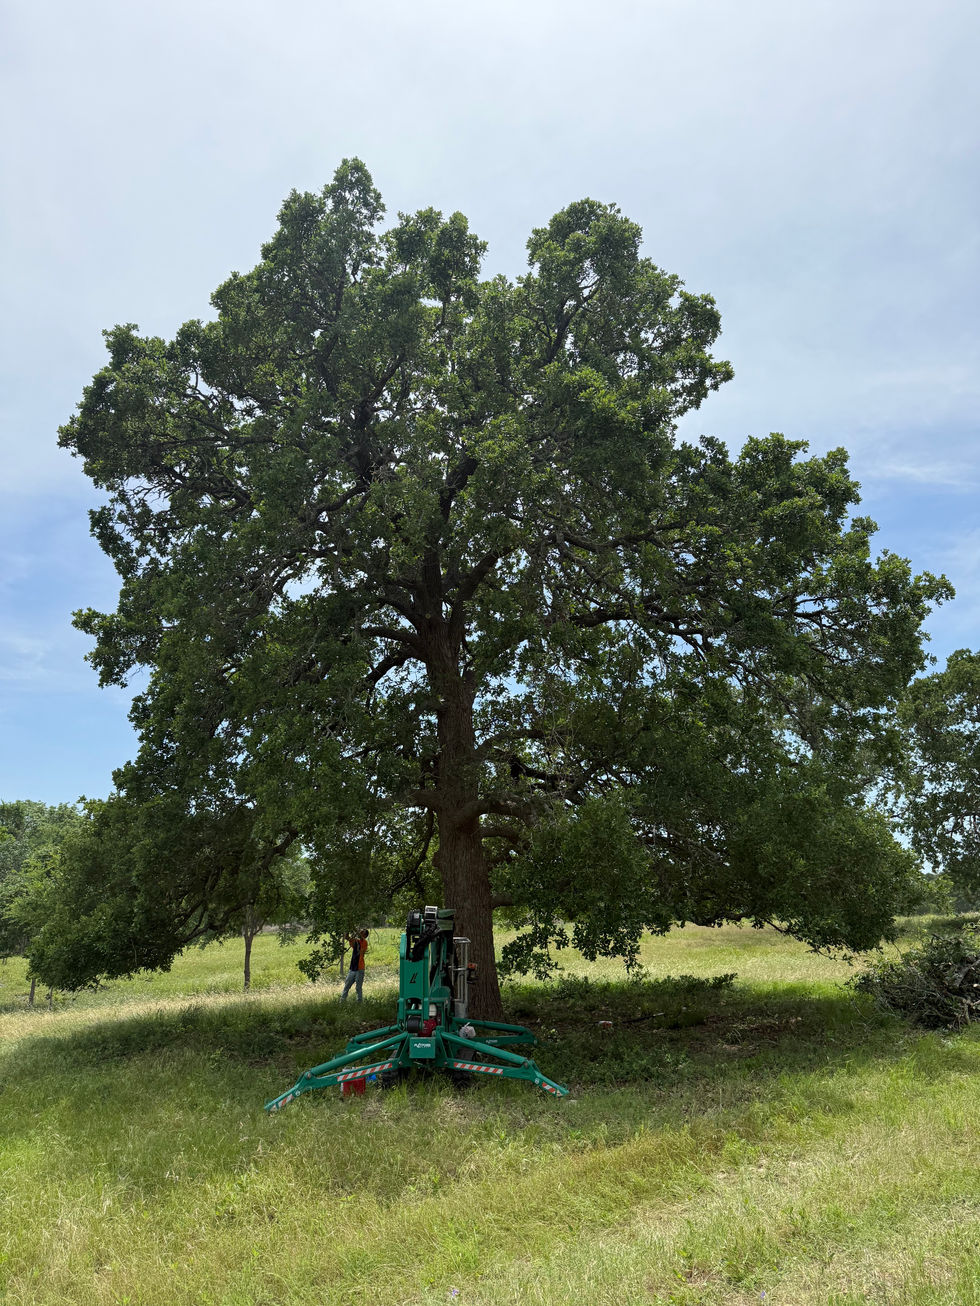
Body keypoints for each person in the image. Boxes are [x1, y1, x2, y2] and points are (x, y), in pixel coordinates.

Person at [341, 929, 369, 1002]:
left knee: (358, 988)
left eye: (362, 933)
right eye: (361, 932)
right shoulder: (356, 942)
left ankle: (359, 1003)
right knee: (346, 986)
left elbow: (360, 940)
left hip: (360, 969)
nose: (360, 933)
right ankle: (342, 1001)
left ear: (365, 936)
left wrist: (355, 931)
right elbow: (346, 937)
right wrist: (348, 927)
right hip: (352, 968)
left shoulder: (364, 942)